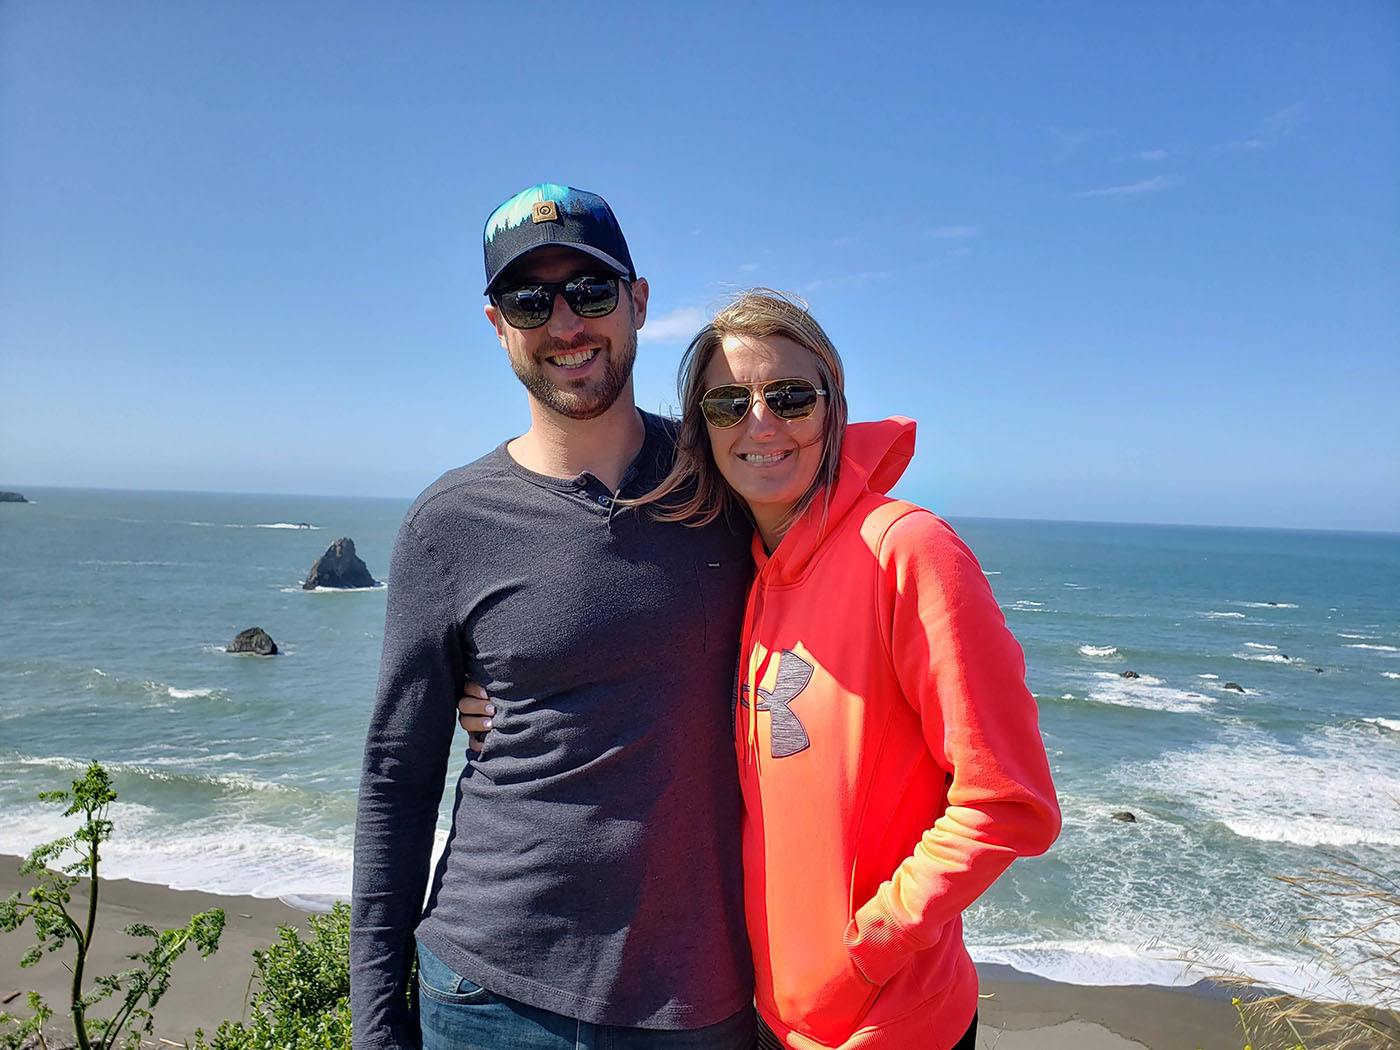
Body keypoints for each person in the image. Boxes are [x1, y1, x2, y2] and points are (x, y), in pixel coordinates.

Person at [461, 290, 1061, 1050]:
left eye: (789, 397)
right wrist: (505, 693)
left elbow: (1009, 799)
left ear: (833, 406)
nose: (761, 424)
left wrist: (871, 942)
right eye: (727, 403)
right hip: (770, 1021)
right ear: (700, 428)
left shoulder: (908, 553)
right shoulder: (745, 571)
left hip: (889, 1027)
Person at [350, 184, 757, 1050]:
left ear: (639, 302)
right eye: (531, 300)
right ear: (497, 324)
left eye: (592, 291)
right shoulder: (449, 524)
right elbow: (397, 779)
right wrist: (378, 1028)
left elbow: (838, 484)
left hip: (700, 998)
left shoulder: (729, 485)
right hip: (487, 990)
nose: (566, 323)